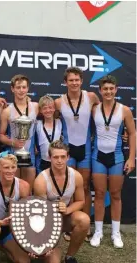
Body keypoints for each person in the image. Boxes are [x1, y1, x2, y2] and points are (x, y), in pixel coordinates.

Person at [54, 67, 100, 242]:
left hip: (86, 148)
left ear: (81, 81)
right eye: (70, 80)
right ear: (65, 82)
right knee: (69, 188)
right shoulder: (59, 102)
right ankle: (69, 225)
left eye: (77, 80)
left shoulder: (91, 97)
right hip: (69, 149)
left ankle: (85, 224)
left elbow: (105, 114)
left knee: (85, 187)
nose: (74, 83)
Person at [90, 75, 136, 248]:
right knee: (100, 194)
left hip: (117, 156)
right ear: (100, 91)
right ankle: (98, 232)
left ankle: (116, 233)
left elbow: (132, 133)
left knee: (116, 194)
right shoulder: (94, 109)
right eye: (105, 89)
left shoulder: (124, 110)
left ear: (116, 90)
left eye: (111, 89)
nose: (108, 92)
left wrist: (131, 158)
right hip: (98, 156)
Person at [33, 141, 89, 263]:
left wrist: (68, 209)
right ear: (49, 158)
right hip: (47, 221)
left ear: (68, 157)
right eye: (56, 157)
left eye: (63, 157)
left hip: (66, 218)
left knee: (84, 220)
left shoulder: (76, 176)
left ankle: (70, 257)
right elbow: (40, 212)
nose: (59, 161)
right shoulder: (41, 180)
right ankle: (49, 248)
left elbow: (81, 201)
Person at [0, 74, 38, 192]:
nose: (21, 90)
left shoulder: (35, 107)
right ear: (12, 89)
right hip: (12, 156)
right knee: (13, 191)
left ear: (28, 89)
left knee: (28, 191)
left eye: (24, 87)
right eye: (18, 87)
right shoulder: (7, 111)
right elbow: (0, 135)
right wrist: (12, 142)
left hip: (29, 155)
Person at [35, 95, 62, 174]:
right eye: (45, 108)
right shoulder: (37, 124)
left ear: (54, 108)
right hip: (42, 160)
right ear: (40, 110)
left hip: (57, 160)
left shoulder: (60, 122)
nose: (48, 110)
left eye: (50, 107)